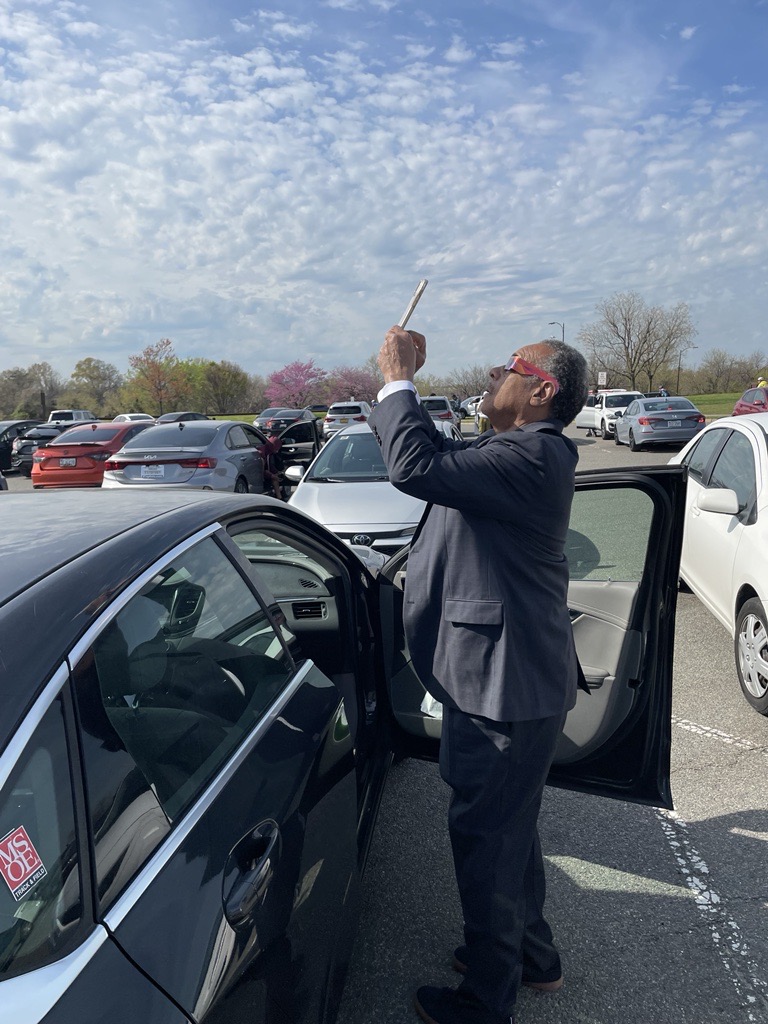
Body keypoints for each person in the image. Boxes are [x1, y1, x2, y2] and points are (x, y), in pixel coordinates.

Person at [369, 326, 589, 1024]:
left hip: (502, 686)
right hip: (506, 679)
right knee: (509, 831)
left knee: (487, 840)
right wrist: (410, 393)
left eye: (510, 368)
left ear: (542, 390)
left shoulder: (533, 454)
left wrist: (398, 380)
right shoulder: (512, 450)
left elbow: (410, 467)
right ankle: (533, 957)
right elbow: (430, 455)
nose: (496, 373)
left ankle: (488, 998)